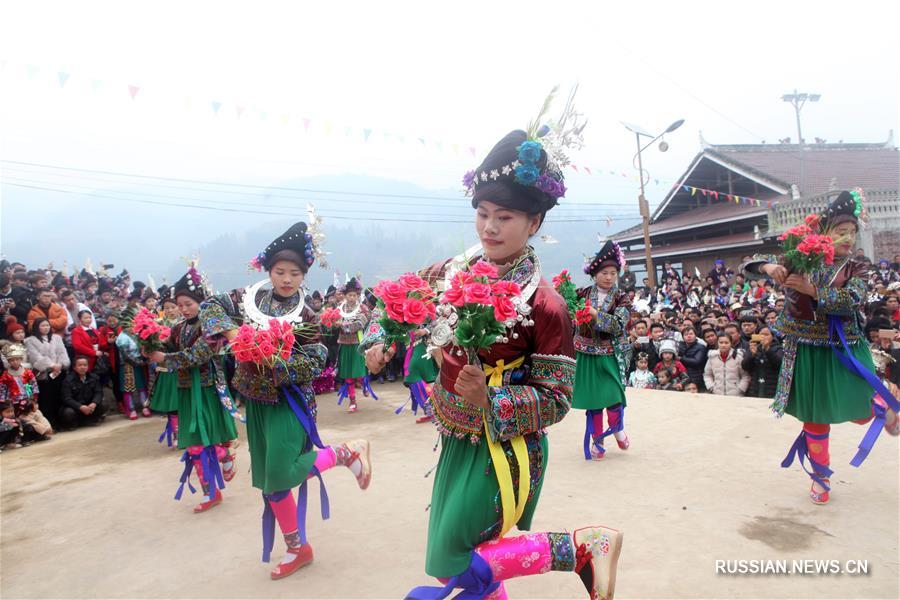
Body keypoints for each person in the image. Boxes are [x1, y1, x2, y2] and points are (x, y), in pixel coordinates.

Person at [364, 123, 623, 599]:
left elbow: (557, 399)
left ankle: (580, 548)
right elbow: (391, 302)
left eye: (504, 216)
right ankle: (582, 550)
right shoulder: (452, 271)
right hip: (456, 437)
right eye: (482, 214)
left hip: (502, 450)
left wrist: (492, 397)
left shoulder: (547, 305)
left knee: (458, 559)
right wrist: (377, 340)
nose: (488, 227)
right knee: (450, 564)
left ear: (535, 223)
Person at [199, 222, 373, 579]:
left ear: (304, 275)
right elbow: (209, 308)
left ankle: (345, 452)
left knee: (281, 473)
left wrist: (274, 360)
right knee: (270, 483)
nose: (287, 279)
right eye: (280, 272)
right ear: (269, 271)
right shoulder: (247, 300)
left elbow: (317, 358)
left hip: (290, 402)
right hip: (256, 403)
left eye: (295, 273)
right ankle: (299, 548)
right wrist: (235, 332)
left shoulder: (307, 315)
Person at [743, 189, 899, 504]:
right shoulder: (800, 257)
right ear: (823, 233)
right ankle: (821, 477)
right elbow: (749, 263)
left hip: (844, 346)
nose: (848, 239)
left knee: (857, 406)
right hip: (806, 350)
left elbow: (852, 299)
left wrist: (812, 290)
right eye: (841, 232)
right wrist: (769, 269)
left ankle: (883, 404)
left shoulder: (857, 267)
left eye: (852, 233)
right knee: (815, 417)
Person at [144, 266, 239, 512]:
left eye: (188, 304)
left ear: (201, 302)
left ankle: (224, 455)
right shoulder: (179, 328)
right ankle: (211, 493)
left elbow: (195, 355)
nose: (184, 309)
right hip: (187, 391)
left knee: (203, 444)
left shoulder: (212, 327)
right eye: (180, 305)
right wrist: (147, 338)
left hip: (208, 390)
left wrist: (162, 357)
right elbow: (168, 344)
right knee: (195, 448)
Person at [573, 239, 633, 460]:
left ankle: (617, 429)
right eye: (604, 273)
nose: (609, 277)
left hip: (610, 355)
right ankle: (598, 440)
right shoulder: (580, 294)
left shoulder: (622, 298)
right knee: (594, 399)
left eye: (613, 273)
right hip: (585, 354)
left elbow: (619, 325)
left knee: (614, 395)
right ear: (594, 273)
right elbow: (564, 312)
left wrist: (597, 315)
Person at [24, 317, 70, 430]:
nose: (46, 328)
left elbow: (62, 352)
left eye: (47, 325)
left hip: (59, 373)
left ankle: (63, 422)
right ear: (36, 327)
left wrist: (59, 364)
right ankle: (50, 424)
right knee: (47, 399)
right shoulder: (30, 340)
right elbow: (35, 357)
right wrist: (51, 365)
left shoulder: (57, 338)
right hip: (44, 375)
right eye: (43, 326)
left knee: (60, 397)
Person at [60, 356, 106, 428]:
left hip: (89, 406)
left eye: (85, 365)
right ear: (74, 367)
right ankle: (74, 423)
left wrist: (94, 403)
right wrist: (80, 406)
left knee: (104, 404)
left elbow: (99, 392)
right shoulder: (68, 380)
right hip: (76, 408)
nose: (83, 367)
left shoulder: (94, 377)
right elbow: (67, 398)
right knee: (68, 413)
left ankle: (89, 420)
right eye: (80, 365)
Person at [741, 326, 783, 398]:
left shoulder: (778, 349)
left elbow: (779, 364)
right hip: (754, 388)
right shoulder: (754, 348)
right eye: (761, 334)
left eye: (766, 335)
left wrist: (767, 349)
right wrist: (752, 355)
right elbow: (745, 366)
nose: (764, 337)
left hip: (772, 388)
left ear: (772, 336)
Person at [679, 326, 708, 391]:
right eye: (686, 334)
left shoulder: (701, 347)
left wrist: (681, 359)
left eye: (691, 334)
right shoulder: (680, 346)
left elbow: (696, 361)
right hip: (683, 378)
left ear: (695, 335)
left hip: (697, 377)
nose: (689, 336)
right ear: (683, 337)